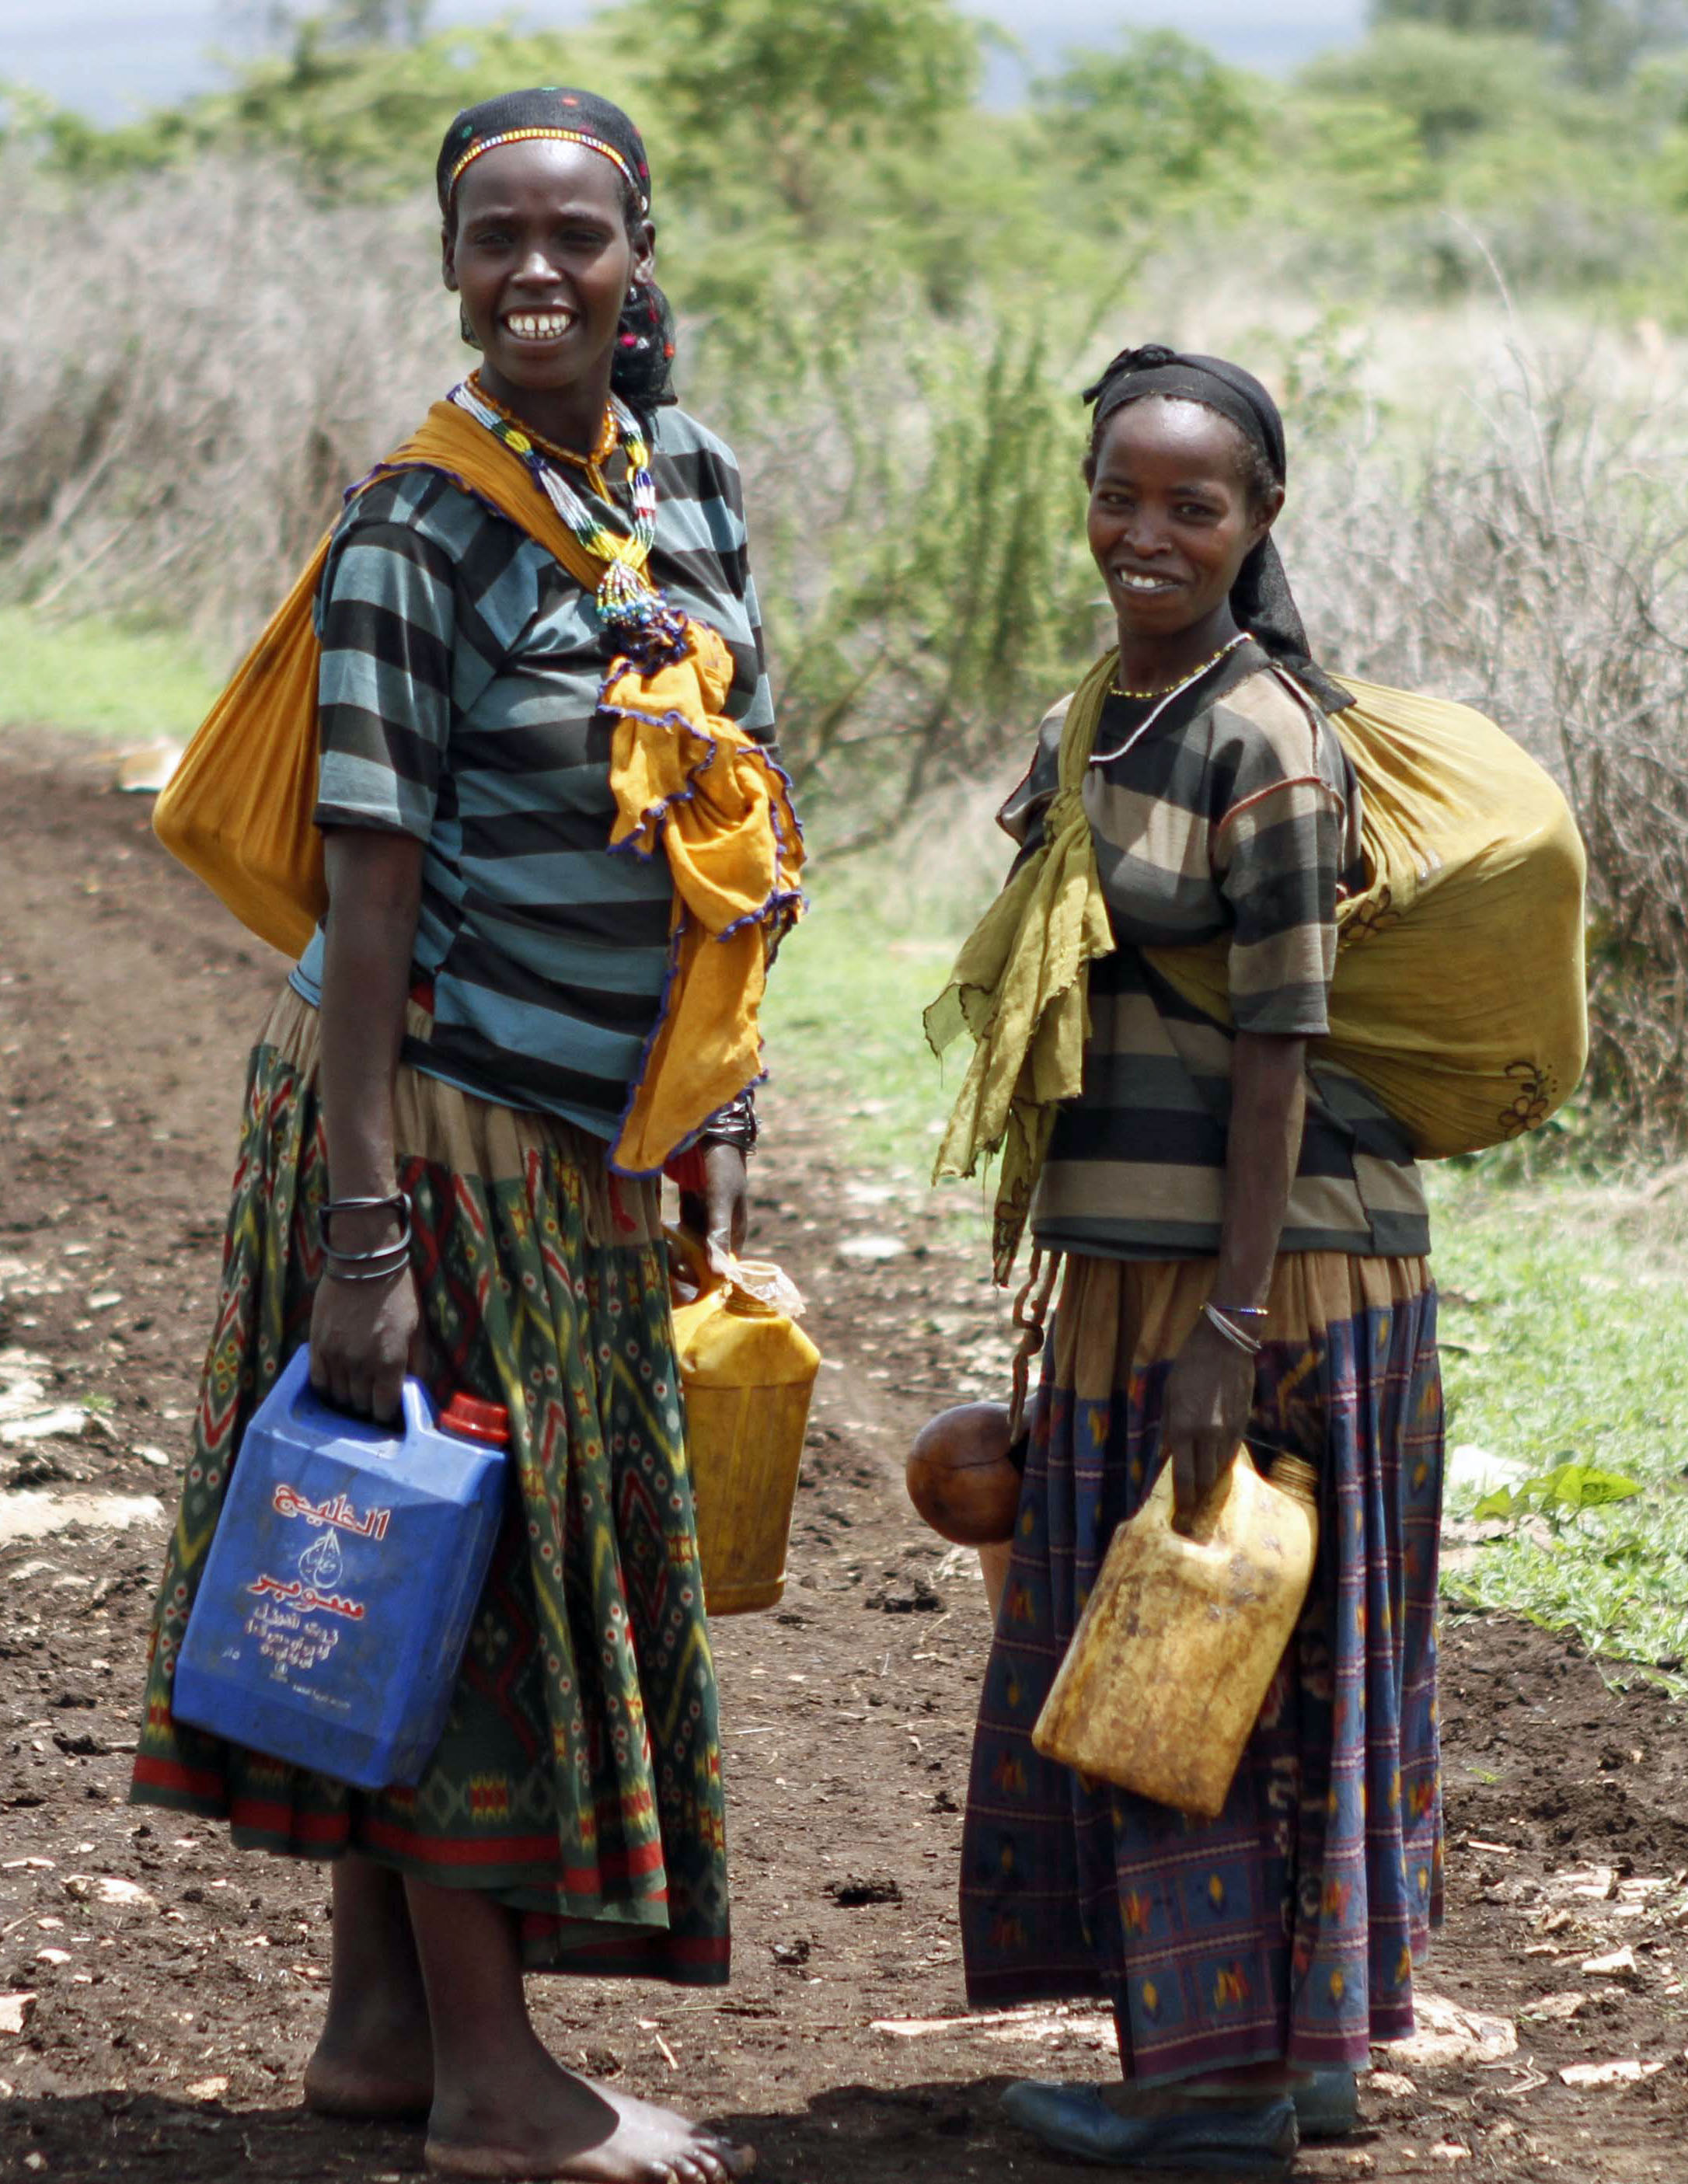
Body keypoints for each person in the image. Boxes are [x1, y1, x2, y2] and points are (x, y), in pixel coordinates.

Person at [130, 87, 794, 2184]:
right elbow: (370, 886)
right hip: (432, 1133)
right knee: (463, 1565)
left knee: (450, 1549)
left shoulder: (685, 481)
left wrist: (716, 1091)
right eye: (493, 233)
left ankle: (373, 2034)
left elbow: (725, 815)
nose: (535, 269)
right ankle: (499, 2089)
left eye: (574, 233)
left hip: (587, 1130)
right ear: (447, 260)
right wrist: (360, 1229)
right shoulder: (414, 527)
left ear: (636, 248)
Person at [930, 346, 1444, 2176]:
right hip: (1139, 1271)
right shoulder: (1103, 710)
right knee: (1200, 1654)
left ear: (1260, 520)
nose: (1146, 534)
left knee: (1219, 1658)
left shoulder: (1265, 737)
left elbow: (1283, 1050)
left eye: (1192, 506)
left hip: (1277, 1283)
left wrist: (1227, 1326)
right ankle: (1288, 2061)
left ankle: (1217, 2096)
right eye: (1119, 498)